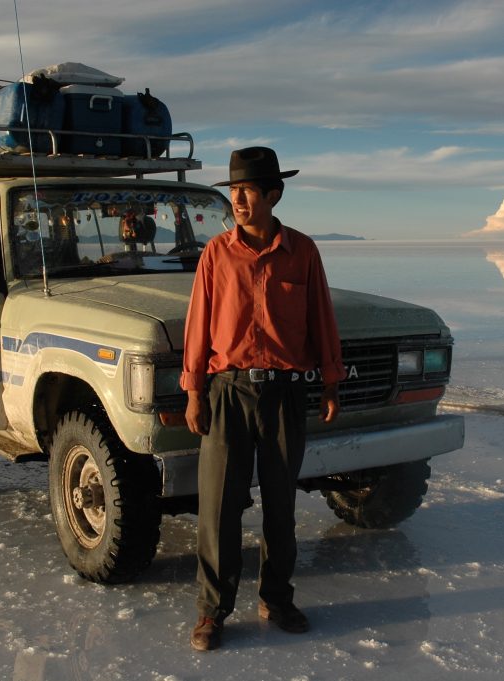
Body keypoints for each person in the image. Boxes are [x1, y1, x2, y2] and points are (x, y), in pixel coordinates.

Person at [180, 147, 345, 651]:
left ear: (274, 195)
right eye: (234, 191)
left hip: (284, 395)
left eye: (248, 191)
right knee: (219, 508)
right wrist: (193, 391)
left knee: (280, 505)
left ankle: (277, 598)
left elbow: (321, 318)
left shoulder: (303, 252)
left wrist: (331, 381)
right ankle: (213, 611)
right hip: (228, 393)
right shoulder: (216, 254)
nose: (239, 201)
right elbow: (199, 324)